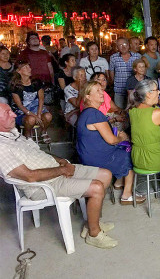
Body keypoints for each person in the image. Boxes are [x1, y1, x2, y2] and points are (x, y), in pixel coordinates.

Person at [0, 103, 118, 249]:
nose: (14, 115)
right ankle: (94, 234)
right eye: (7, 113)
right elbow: (30, 176)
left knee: (105, 175)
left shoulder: (14, 134)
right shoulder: (2, 147)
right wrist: (62, 171)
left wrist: (60, 161)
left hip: (55, 170)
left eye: (11, 111)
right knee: (97, 187)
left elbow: (39, 154)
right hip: (43, 186)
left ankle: (91, 223)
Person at [77, 81, 144, 205]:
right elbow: (111, 140)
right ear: (87, 96)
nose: (102, 92)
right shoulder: (94, 114)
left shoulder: (87, 113)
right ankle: (127, 195)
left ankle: (119, 182)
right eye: (97, 91)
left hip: (88, 155)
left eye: (101, 90)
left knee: (122, 150)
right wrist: (122, 138)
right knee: (129, 154)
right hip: (96, 158)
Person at [10, 61, 52, 142]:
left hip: (36, 108)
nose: (29, 69)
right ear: (19, 71)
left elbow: (41, 98)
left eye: (29, 67)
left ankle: (43, 131)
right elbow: (20, 106)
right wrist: (33, 115)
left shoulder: (36, 82)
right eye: (25, 67)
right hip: (22, 112)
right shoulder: (15, 86)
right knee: (31, 119)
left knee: (48, 116)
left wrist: (39, 114)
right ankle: (28, 134)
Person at [109, 37, 142, 109]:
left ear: (128, 45)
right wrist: (114, 82)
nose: (123, 47)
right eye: (120, 45)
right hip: (119, 90)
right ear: (117, 47)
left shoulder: (137, 56)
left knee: (133, 111)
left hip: (134, 90)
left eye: (124, 44)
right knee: (119, 111)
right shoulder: (113, 58)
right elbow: (111, 71)